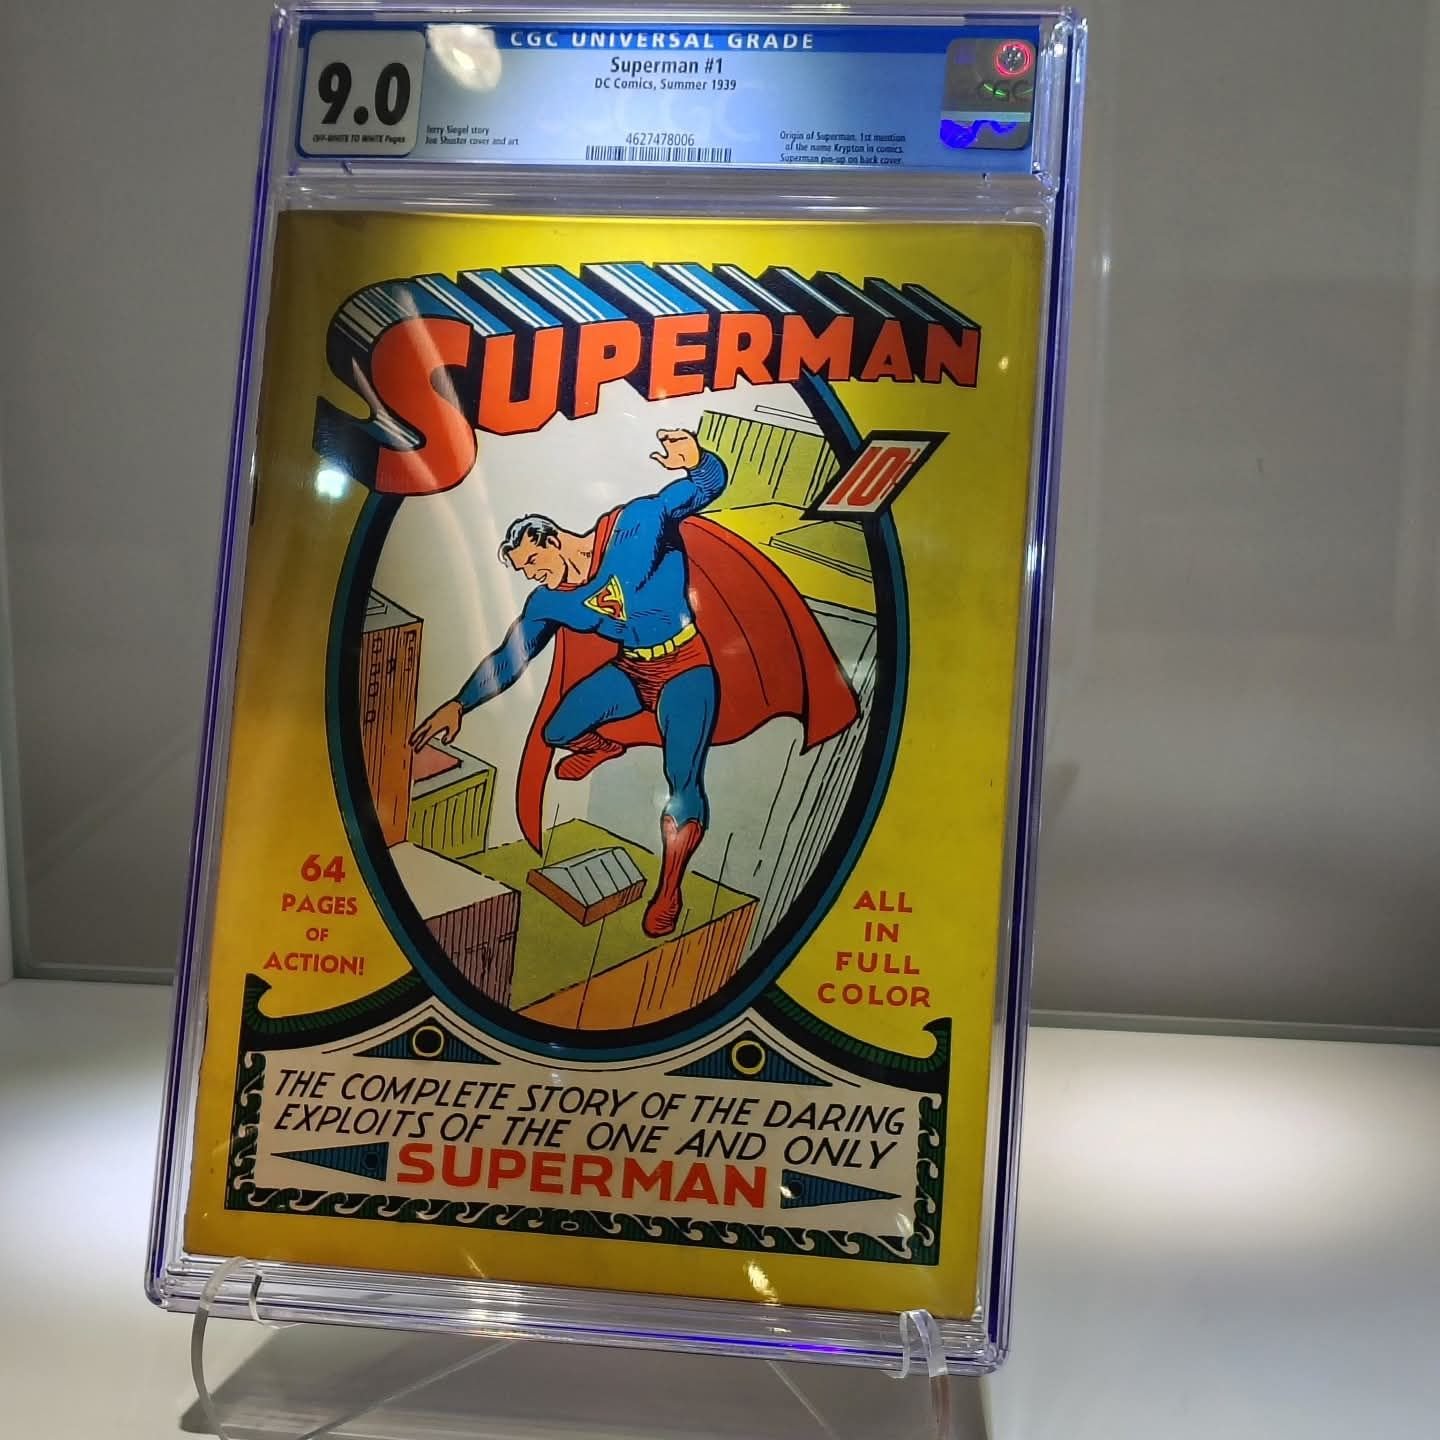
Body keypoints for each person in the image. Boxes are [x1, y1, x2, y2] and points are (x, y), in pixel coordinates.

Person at [411, 428, 859, 940]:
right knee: (558, 731)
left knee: (683, 781)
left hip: (686, 668)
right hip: (631, 672)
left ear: (552, 540)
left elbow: (705, 487)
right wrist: (460, 704)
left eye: (533, 562)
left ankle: (669, 889)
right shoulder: (550, 602)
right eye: (523, 571)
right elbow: (510, 656)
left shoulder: (637, 525)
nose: (532, 575)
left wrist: (698, 460)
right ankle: (605, 746)